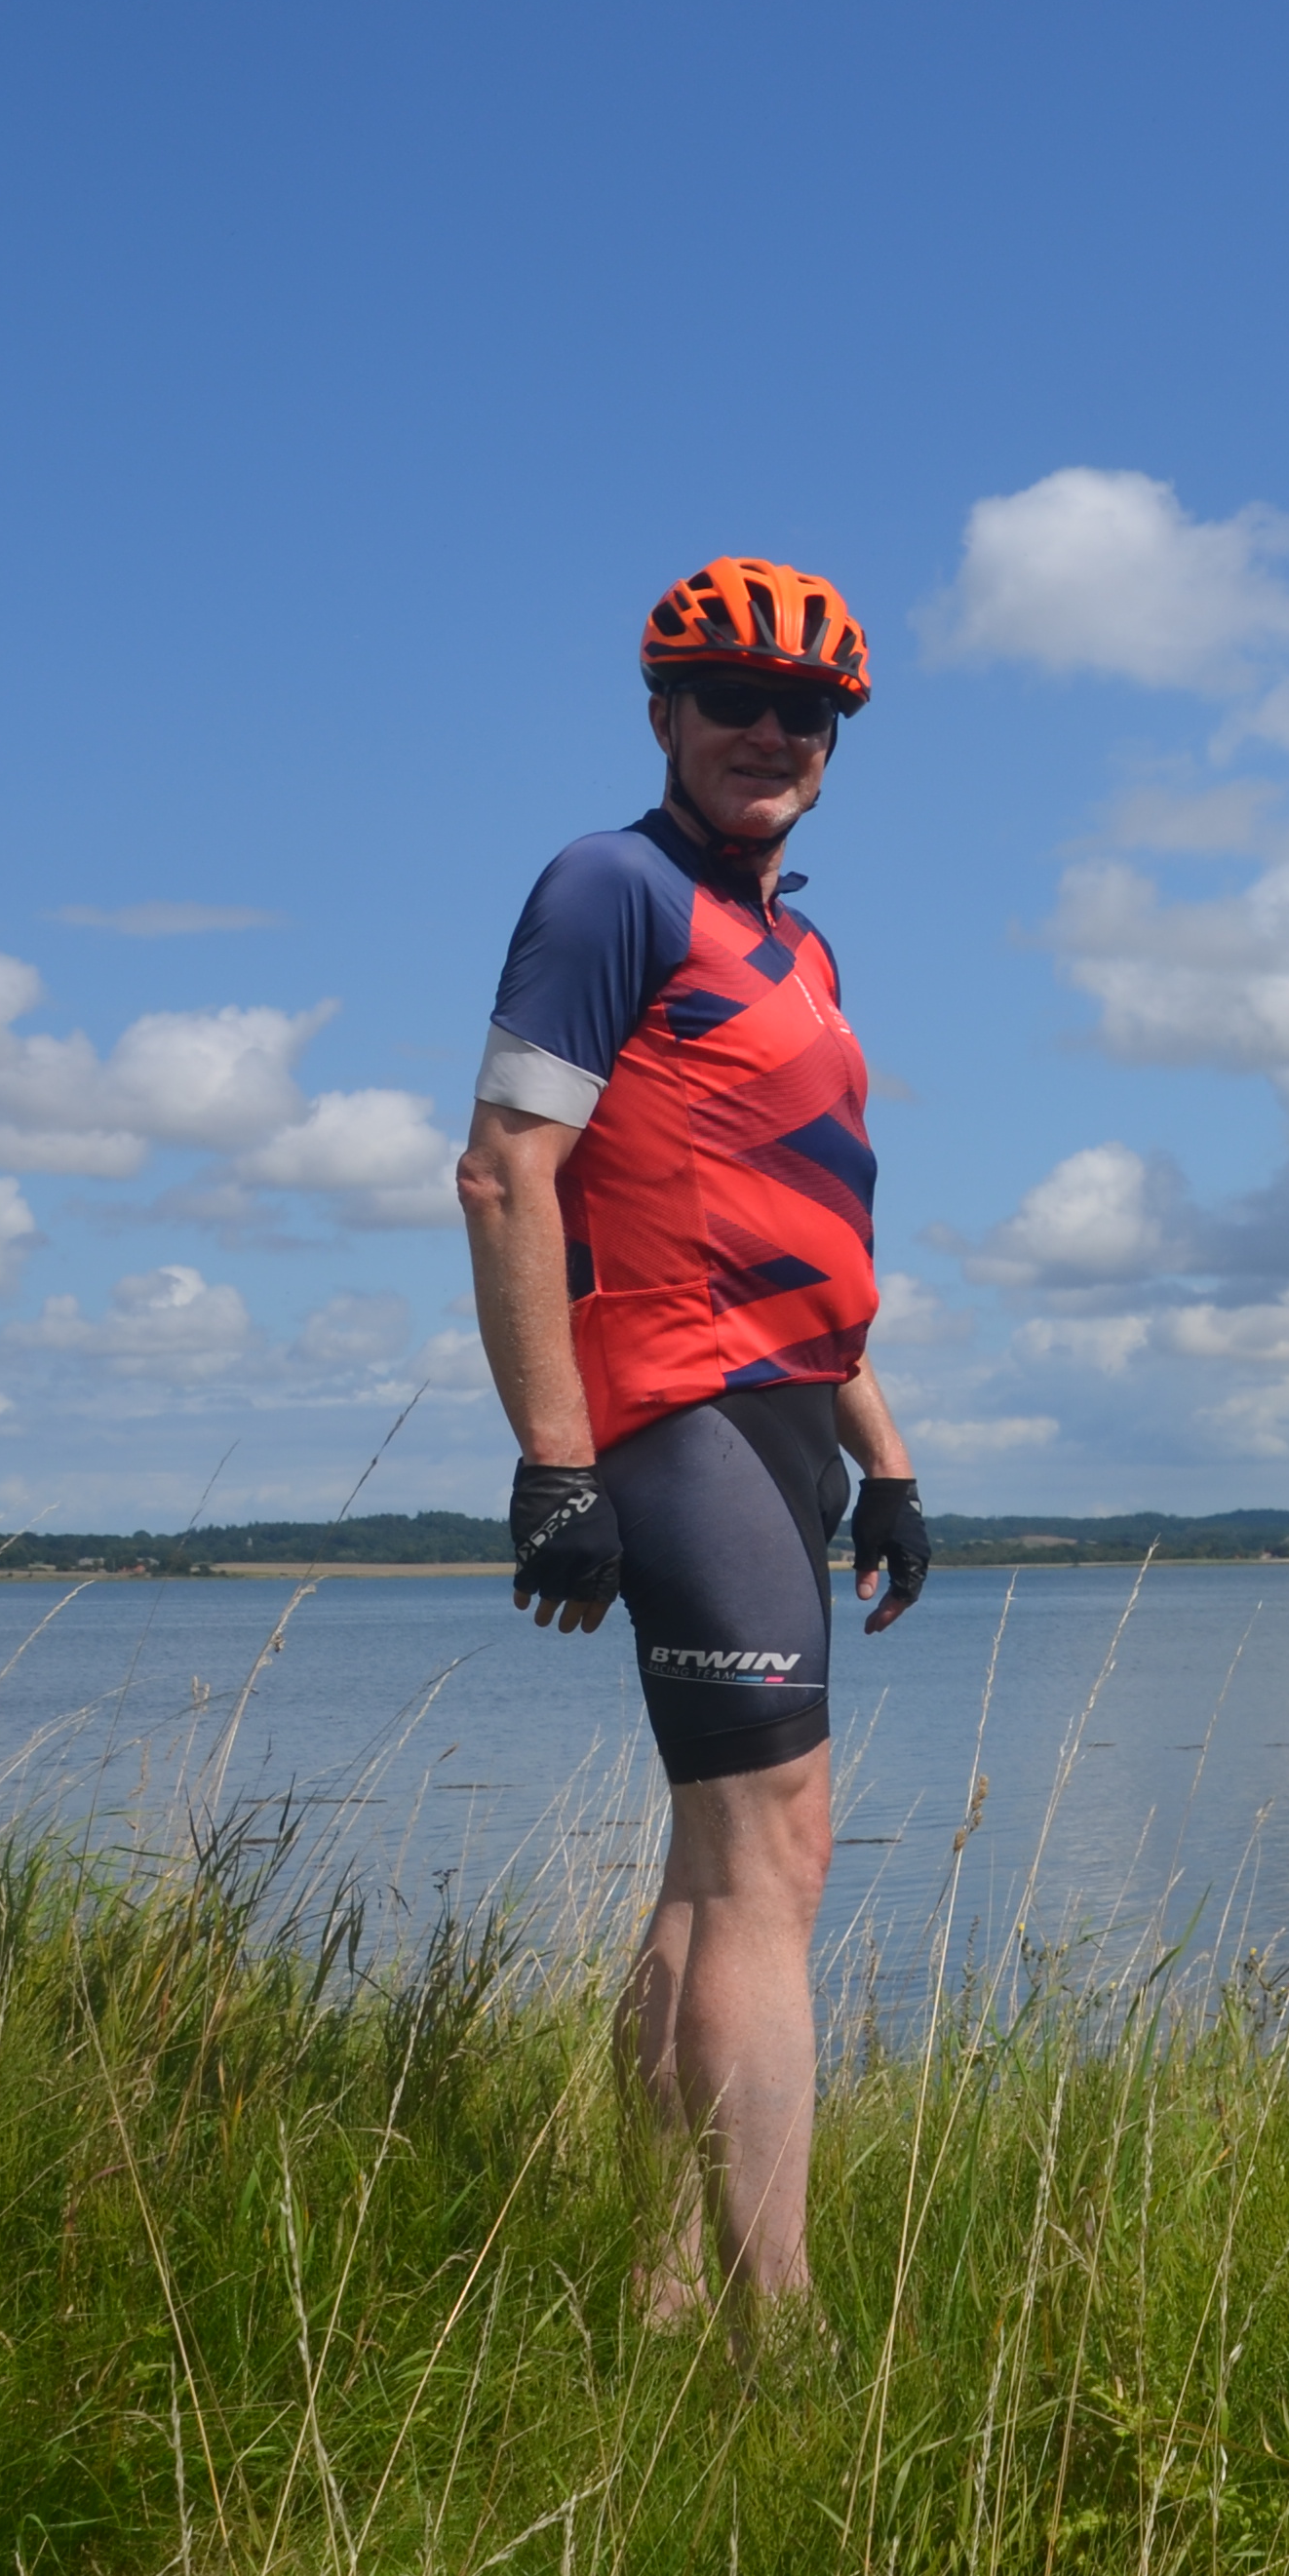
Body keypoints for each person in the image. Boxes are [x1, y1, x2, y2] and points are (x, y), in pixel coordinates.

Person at [454, 553, 934, 2347]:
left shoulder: (799, 944)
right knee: (771, 1860)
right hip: (675, 1412)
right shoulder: (613, 889)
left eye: (804, 711)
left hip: (790, 1416)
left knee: (720, 1870)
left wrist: (885, 1461)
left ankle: (663, 2285)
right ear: (663, 714)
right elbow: (506, 1171)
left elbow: (795, 1233)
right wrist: (555, 1464)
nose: (769, 731)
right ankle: (778, 2335)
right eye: (733, 698)